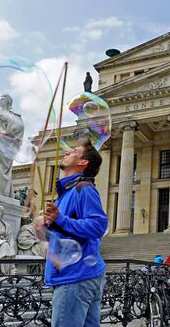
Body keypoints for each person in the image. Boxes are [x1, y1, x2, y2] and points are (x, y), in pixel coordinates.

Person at [43, 139, 108, 327]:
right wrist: (47, 226)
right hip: (82, 274)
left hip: (75, 277)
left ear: (83, 162)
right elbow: (66, 232)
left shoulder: (83, 188)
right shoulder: (67, 192)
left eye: (73, 151)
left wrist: (60, 219)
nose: (66, 152)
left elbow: (98, 226)